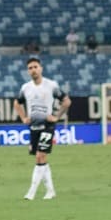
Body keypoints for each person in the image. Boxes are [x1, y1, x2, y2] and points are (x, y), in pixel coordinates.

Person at [13, 56, 71, 201]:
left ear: (41, 68)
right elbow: (16, 103)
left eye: (35, 67)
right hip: (33, 126)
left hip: (47, 125)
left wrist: (57, 116)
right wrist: (24, 118)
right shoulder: (25, 88)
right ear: (28, 71)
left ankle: (31, 192)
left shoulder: (51, 85)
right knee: (41, 158)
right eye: (30, 68)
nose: (33, 70)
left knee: (40, 155)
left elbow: (66, 101)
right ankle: (51, 191)